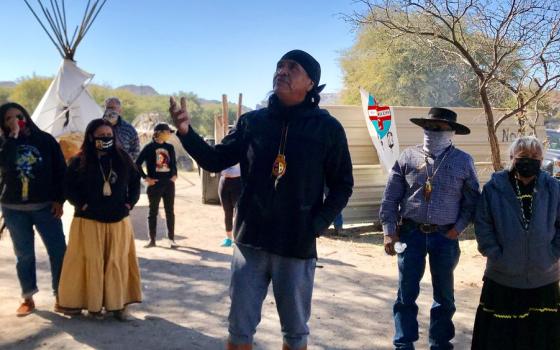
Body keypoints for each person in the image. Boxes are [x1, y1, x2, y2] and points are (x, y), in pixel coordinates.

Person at [170, 49, 353, 350]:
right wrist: (186, 133)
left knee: (295, 334)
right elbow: (215, 160)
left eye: (292, 67)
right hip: (250, 242)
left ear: (310, 83)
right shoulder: (252, 123)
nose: (282, 71)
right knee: (239, 330)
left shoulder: (327, 128)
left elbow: (342, 185)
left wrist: (316, 225)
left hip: (296, 245)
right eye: (279, 66)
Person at [380, 107, 480, 350]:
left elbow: (472, 201)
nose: (433, 132)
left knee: (444, 296)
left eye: (440, 128)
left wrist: (457, 229)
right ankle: (404, 344)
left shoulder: (463, 161)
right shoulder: (407, 157)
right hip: (410, 234)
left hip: (445, 237)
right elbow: (390, 198)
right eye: (429, 127)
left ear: (452, 132)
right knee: (406, 293)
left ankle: (440, 343)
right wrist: (389, 232)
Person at [472, 136, 560, 349]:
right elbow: (483, 223)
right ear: (512, 158)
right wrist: (494, 252)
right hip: (503, 275)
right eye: (523, 156)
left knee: (540, 336)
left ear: (541, 159)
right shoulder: (495, 187)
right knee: (502, 338)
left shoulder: (554, 188)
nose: (528, 160)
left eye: (534, 156)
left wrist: (553, 253)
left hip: (544, 275)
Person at [57, 118, 142, 320]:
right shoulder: (79, 161)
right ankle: (86, 303)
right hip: (88, 221)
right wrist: (82, 204)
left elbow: (135, 182)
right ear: (90, 137)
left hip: (117, 221)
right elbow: (68, 187)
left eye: (109, 136)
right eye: (101, 136)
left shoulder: (123, 159)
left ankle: (118, 305)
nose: (105, 139)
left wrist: (129, 203)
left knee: (116, 262)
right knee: (89, 262)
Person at [0, 102, 67, 317]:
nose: (14, 121)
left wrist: (59, 200)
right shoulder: (3, 144)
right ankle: (28, 297)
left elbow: (60, 171)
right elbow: (3, 163)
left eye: (18, 116)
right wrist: (12, 139)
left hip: (45, 207)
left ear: (26, 116)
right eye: (8, 118)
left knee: (58, 251)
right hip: (13, 208)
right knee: (24, 255)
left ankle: (61, 295)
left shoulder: (45, 140)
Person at [136, 122, 178, 248]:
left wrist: (175, 175)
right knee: (153, 212)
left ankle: (171, 239)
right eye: (166, 132)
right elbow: (137, 163)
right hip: (154, 184)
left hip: (169, 184)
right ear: (158, 133)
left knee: (170, 211)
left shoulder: (170, 147)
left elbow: (174, 163)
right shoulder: (149, 147)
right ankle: (152, 240)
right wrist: (146, 178)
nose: (169, 134)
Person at [219, 163, 241, 247]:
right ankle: (228, 239)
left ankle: (237, 239)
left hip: (238, 181)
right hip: (224, 181)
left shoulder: (241, 149)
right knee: (227, 211)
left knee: (238, 212)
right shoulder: (223, 149)